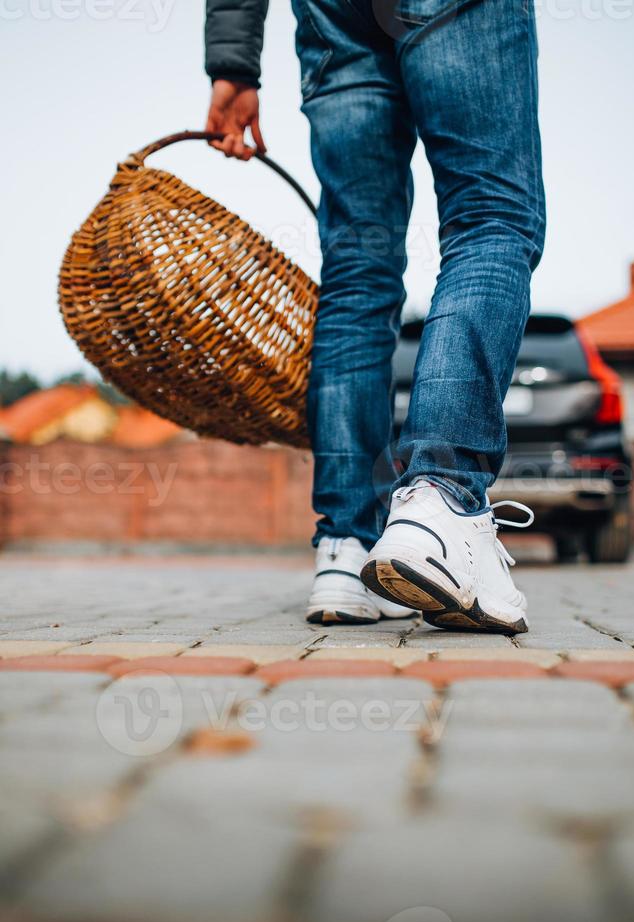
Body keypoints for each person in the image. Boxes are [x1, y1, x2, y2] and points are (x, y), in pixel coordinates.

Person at [205, 0, 546, 634]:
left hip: (332, 17)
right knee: (491, 217)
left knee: (357, 271)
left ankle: (346, 546)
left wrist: (233, 64)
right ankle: (440, 503)